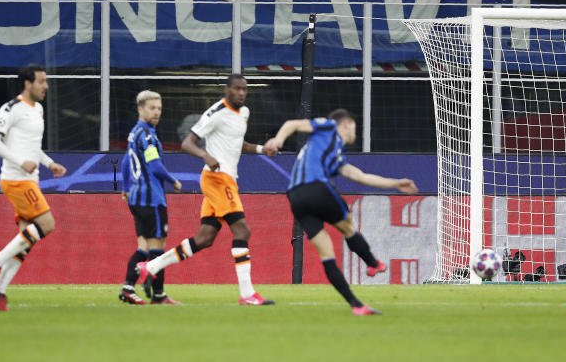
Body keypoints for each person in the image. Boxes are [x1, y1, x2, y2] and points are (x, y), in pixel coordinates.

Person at [136, 74, 277, 305]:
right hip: (216, 178)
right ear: (227, 90)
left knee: (204, 238)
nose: (241, 93)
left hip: (228, 179)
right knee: (242, 231)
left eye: (244, 89)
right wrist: (205, 155)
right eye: (237, 89)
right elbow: (187, 143)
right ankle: (247, 293)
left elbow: (237, 143)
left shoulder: (244, 113)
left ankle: (150, 266)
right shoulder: (216, 113)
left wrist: (263, 149)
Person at [263, 109, 417, 315]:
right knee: (348, 225)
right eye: (354, 126)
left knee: (327, 253)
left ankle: (356, 305)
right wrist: (278, 140)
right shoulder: (329, 128)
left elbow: (361, 176)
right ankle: (372, 263)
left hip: (295, 197)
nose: (355, 131)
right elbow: (292, 122)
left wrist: (395, 183)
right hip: (315, 187)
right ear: (345, 124)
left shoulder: (334, 157)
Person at [0, 64, 68, 311]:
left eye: (46, 81)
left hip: (30, 180)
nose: (46, 86)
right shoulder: (12, 108)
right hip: (15, 179)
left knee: (26, 240)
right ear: (27, 83)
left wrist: (49, 162)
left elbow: (32, 147)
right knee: (47, 224)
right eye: (42, 81)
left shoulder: (38, 109)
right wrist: (20, 162)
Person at [118, 90, 183, 305]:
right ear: (140, 109)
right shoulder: (147, 135)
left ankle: (129, 287)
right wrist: (173, 180)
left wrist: (126, 187)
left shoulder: (134, 133)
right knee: (158, 247)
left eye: (159, 108)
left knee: (143, 247)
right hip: (151, 199)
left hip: (136, 198)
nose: (157, 112)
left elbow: (126, 162)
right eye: (152, 108)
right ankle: (159, 295)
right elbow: (155, 166)